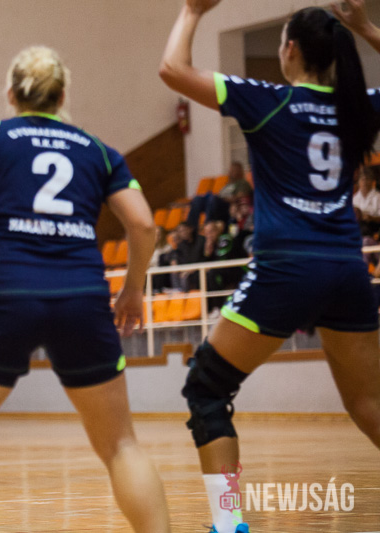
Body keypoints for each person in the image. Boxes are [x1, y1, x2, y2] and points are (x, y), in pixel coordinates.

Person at [0, 46, 170, 533]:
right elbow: (144, 225)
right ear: (62, 97)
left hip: (5, 293)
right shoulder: (98, 150)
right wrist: (132, 290)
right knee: (121, 445)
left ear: (10, 95)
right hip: (81, 297)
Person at [160, 1, 380, 532]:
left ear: (290, 50)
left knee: (207, 388)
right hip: (347, 269)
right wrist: (366, 27)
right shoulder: (359, 107)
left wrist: (191, 12)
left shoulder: (268, 101)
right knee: (368, 401)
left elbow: (172, 70)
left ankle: (228, 523)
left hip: (286, 270)